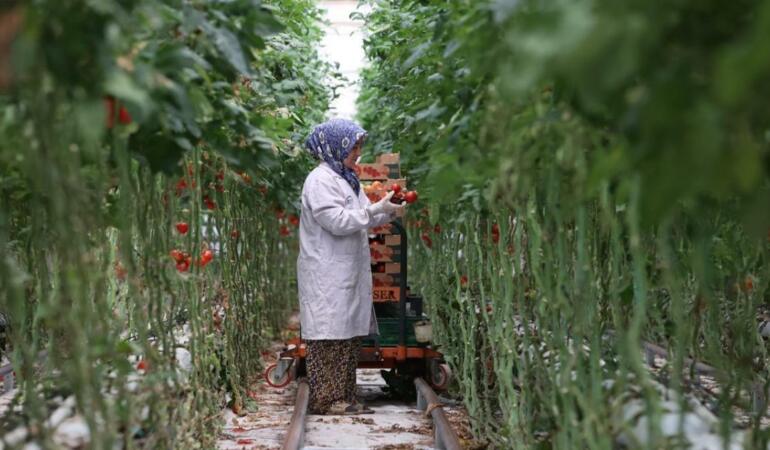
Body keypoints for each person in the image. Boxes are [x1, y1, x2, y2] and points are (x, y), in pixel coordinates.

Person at [297, 118, 403, 415]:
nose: (358, 152)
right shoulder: (319, 180)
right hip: (326, 272)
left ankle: (344, 398)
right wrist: (375, 209)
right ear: (336, 145)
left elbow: (361, 217)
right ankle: (326, 400)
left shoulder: (345, 178)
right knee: (329, 337)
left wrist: (388, 212)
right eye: (354, 146)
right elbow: (338, 221)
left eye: (359, 146)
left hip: (345, 270)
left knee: (347, 337)